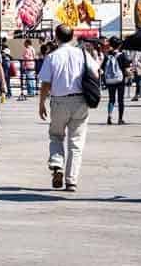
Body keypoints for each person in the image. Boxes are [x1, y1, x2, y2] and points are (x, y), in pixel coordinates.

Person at [38, 24, 96, 191]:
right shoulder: (82, 54)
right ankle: (71, 181)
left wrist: (41, 103)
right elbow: (96, 72)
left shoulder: (52, 57)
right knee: (76, 142)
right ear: (72, 37)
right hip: (80, 101)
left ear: (56, 37)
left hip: (59, 101)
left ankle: (57, 166)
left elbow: (45, 84)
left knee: (56, 136)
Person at [101, 38, 130, 125]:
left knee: (111, 99)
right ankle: (120, 119)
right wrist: (129, 74)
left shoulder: (107, 55)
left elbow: (102, 68)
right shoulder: (122, 55)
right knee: (120, 100)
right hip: (120, 80)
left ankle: (109, 116)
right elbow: (126, 70)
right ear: (119, 45)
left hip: (110, 80)